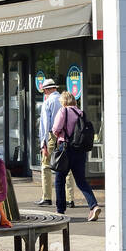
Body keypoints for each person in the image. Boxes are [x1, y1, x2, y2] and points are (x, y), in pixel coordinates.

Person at [51, 91, 101, 220]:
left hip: (66, 149)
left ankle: (60, 210)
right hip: (80, 150)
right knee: (81, 181)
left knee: (59, 180)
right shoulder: (81, 113)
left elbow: (56, 129)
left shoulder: (63, 111)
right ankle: (93, 206)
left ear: (63, 101)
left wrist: (60, 134)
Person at [37, 78, 75, 207]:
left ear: (47, 90)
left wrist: (44, 143)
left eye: (44, 91)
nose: (44, 93)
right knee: (67, 167)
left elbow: (45, 124)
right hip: (66, 136)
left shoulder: (48, 102)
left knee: (46, 166)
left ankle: (47, 197)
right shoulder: (65, 100)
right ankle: (70, 199)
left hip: (52, 136)